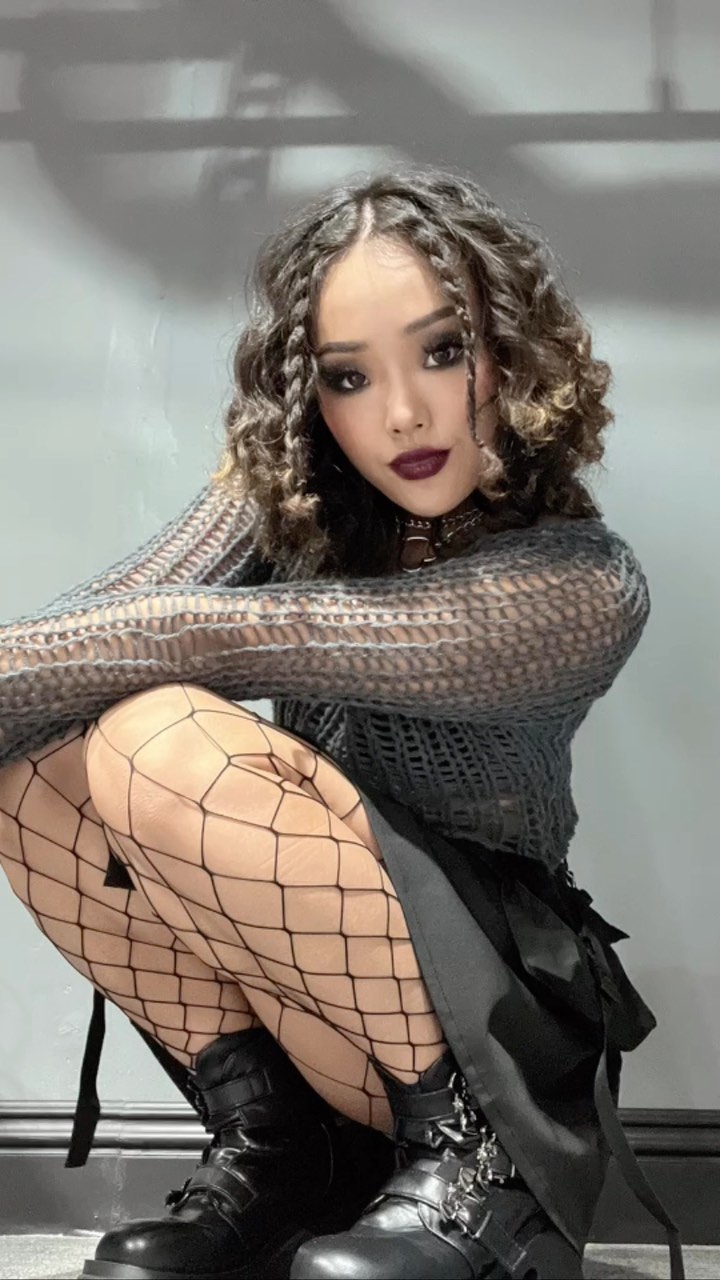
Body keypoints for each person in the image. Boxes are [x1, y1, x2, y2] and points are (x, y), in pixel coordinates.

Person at [0, 165, 684, 1280]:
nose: (402, 412)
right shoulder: (305, 517)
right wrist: (259, 491)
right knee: (38, 766)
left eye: (443, 351)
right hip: (324, 1029)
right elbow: (86, 639)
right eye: (348, 377)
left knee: (152, 738)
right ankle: (279, 1156)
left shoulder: (580, 584)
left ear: (515, 353)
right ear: (309, 397)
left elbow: (191, 640)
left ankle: (479, 1176)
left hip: (495, 1033)